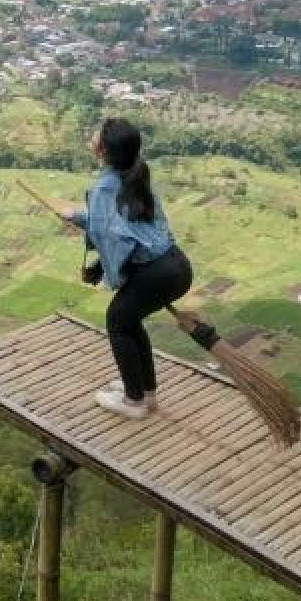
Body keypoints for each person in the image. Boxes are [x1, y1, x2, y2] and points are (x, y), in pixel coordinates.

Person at [62, 118, 193, 419]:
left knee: (118, 321)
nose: (92, 133)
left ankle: (134, 402)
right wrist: (83, 218)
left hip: (156, 272)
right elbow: (125, 224)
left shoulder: (106, 185)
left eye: (97, 132)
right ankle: (145, 394)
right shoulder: (133, 175)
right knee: (129, 321)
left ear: (103, 149)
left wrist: (86, 231)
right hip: (175, 265)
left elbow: (112, 234)